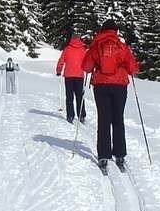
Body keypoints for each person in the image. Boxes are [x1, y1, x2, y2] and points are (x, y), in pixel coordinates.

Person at [83, 19, 140, 172]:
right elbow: (133, 68)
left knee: (104, 119)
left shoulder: (96, 45)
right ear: (116, 31)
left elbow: (86, 67)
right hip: (120, 86)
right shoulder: (121, 46)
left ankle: (103, 155)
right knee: (118, 119)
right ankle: (120, 154)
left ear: (102, 30)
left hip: (101, 86)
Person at [55, 33, 90, 124]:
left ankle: (70, 115)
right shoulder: (83, 49)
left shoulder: (67, 49)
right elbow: (87, 61)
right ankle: (81, 115)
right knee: (80, 96)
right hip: (79, 76)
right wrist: (87, 69)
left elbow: (61, 61)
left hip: (69, 76)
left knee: (69, 96)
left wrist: (59, 70)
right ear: (79, 39)